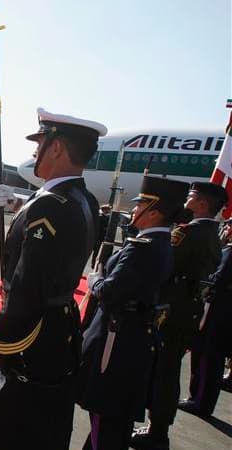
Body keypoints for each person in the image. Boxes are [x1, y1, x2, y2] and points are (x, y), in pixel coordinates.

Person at [0, 109, 105, 450]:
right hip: (59, 336)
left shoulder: (49, 207)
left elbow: (26, 291)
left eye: (40, 142)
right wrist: (21, 203)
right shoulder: (84, 200)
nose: (35, 152)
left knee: (14, 433)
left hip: (31, 344)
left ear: (58, 148)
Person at [79, 176, 190, 450]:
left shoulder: (144, 249)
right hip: (134, 338)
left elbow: (110, 292)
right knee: (109, 424)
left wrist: (95, 279)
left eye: (139, 204)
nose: (134, 209)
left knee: (106, 423)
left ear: (154, 212)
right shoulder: (161, 245)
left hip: (117, 342)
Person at [130, 181, 226, 449]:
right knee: (168, 372)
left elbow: (164, 266)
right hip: (189, 311)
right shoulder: (212, 233)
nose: (187, 200)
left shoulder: (187, 233)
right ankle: (157, 427)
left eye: (192, 196)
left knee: (162, 374)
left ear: (202, 204)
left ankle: (157, 432)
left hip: (171, 313)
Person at [178, 218, 232, 419]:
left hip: (217, 311)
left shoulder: (230, 251)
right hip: (223, 312)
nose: (226, 228)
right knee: (211, 358)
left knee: (207, 357)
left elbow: (216, 279)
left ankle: (199, 402)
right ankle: (200, 399)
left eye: (229, 226)